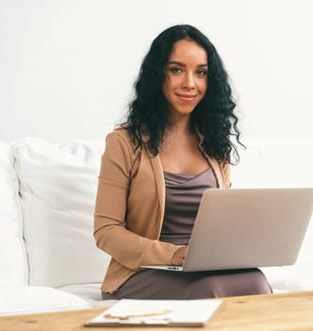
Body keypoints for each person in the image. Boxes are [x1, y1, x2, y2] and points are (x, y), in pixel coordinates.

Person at [93, 24, 272, 300]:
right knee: (209, 289)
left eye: (201, 72)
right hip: (143, 273)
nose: (190, 83)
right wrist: (174, 254)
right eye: (176, 70)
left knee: (256, 282)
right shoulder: (123, 142)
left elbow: (223, 221)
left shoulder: (215, 144)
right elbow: (106, 231)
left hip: (204, 267)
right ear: (157, 76)